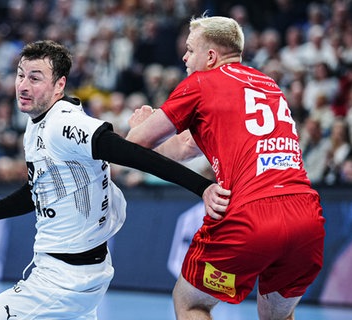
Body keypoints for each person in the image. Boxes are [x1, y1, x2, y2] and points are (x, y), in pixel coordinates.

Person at [0, 40, 230, 320]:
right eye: (20, 75)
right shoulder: (37, 124)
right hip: (75, 272)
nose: (23, 86)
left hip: (64, 279)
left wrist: (202, 187)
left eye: (35, 78)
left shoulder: (65, 123)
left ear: (59, 85)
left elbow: (133, 154)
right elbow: (37, 191)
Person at [125, 16, 325, 320]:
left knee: (190, 301)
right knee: (277, 317)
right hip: (306, 218)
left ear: (210, 57)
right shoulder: (267, 85)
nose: (184, 57)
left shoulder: (201, 83)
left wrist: (139, 123)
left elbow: (135, 144)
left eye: (190, 50)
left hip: (251, 216)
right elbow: (181, 148)